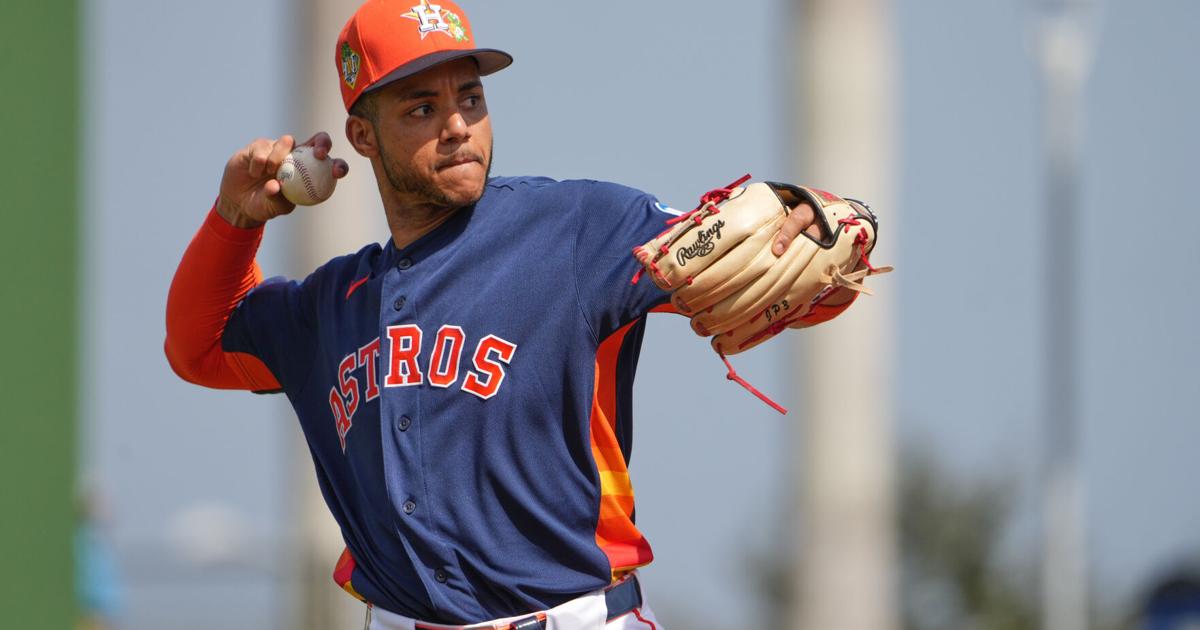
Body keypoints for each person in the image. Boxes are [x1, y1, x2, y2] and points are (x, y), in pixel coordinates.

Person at [165, 1, 822, 628]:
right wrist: (236, 220)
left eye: (470, 99)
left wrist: (822, 223)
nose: (457, 125)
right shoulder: (327, 307)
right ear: (362, 136)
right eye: (423, 107)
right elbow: (199, 346)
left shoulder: (579, 229)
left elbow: (773, 259)